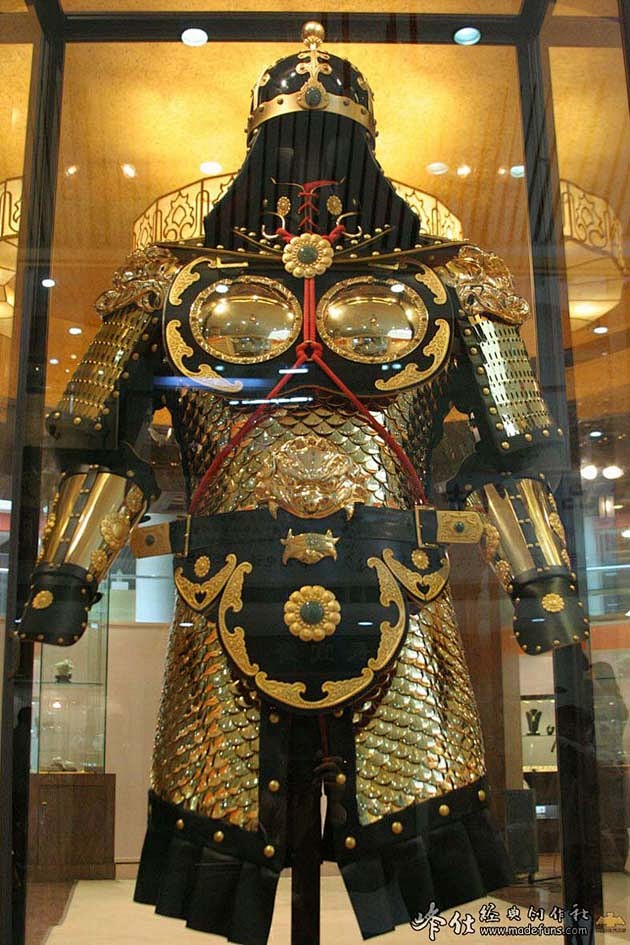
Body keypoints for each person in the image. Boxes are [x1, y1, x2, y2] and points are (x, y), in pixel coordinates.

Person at [18, 22, 588, 945]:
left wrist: (545, 583)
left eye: (331, 145)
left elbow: (513, 450)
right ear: (259, 146)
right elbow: (101, 447)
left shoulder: (454, 283)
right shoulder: (168, 282)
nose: (310, 163)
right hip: (224, 588)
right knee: (224, 806)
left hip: (400, 589)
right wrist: (65, 576)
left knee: (408, 802)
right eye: (290, 142)